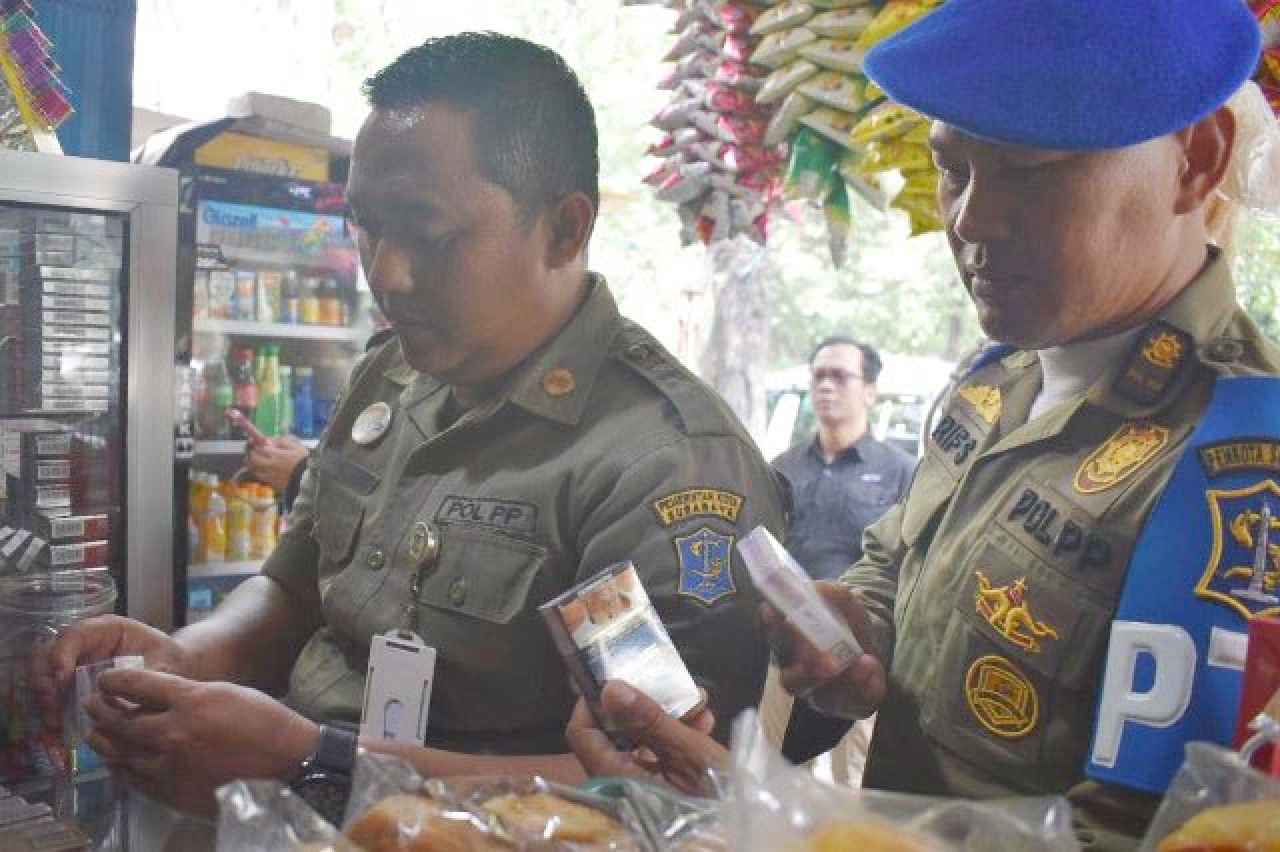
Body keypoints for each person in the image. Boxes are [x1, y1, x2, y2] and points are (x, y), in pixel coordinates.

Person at [567, 2, 1280, 848]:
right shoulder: (997, 379)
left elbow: (1164, 833)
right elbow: (899, 562)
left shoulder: (1238, 466)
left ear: (1195, 161)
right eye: (954, 168)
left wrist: (769, 818)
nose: (971, 219)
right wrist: (851, 630)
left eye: (1026, 167)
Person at [35, 33, 786, 817]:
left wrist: (312, 762)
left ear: (565, 229)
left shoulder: (664, 464)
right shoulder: (390, 374)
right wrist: (184, 656)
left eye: (428, 233)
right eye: (366, 225)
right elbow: (292, 584)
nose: (386, 272)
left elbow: (670, 789)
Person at [773, 337, 915, 582]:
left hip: (864, 614)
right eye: (819, 376)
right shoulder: (781, 468)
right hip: (781, 614)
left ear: (870, 392)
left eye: (840, 376)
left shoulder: (902, 472)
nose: (826, 386)